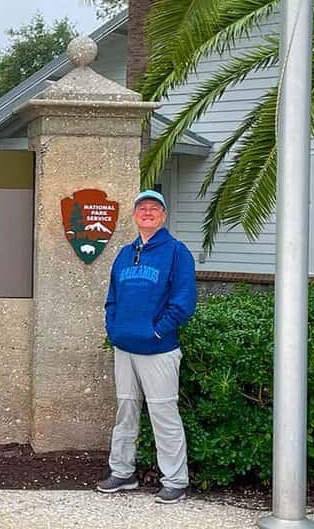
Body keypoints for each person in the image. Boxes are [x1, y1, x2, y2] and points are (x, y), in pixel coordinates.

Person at [96, 189, 197, 504]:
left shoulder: (177, 252)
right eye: (143, 207)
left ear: (164, 216)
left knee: (163, 413)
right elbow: (112, 298)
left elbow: (184, 302)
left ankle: (176, 480)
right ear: (135, 215)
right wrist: (114, 329)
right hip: (125, 348)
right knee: (125, 411)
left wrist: (157, 331)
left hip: (159, 350)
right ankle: (122, 472)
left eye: (155, 208)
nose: (148, 212)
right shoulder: (126, 253)